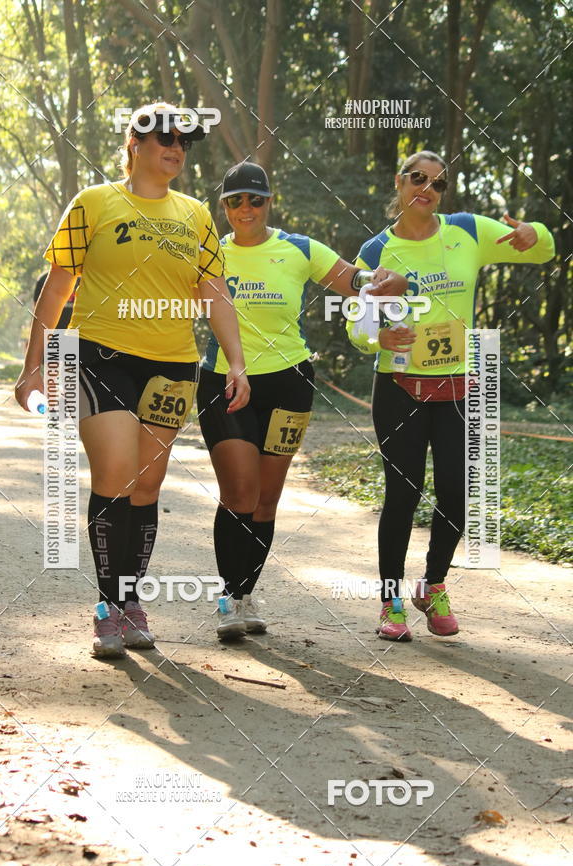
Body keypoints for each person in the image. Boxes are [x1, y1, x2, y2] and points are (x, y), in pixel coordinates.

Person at [15, 102, 249, 658]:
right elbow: (57, 288)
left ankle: (129, 602)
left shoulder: (195, 214)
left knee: (146, 486)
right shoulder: (93, 203)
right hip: (99, 355)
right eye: (164, 136)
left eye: (184, 142)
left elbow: (214, 295)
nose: (176, 147)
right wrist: (33, 366)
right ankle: (107, 607)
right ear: (135, 143)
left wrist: (235, 361)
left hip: (172, 366)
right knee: (116, 474)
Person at [348, 150, 555, 642]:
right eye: (418, 178)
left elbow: (544, 249)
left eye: (438, 183)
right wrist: (379, 338)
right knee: (403, 494)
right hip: (399, 389)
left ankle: (433, 584)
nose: (427, 188)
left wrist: (534, 233)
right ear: (399, 183)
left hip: (460, 388)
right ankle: (390, 600)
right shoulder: (375, 251)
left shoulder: (466, 229)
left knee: (458, 496)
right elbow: (357, 324)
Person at [197, 161, 408, 640]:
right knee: (240, 492)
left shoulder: (298, 248)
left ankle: (246, 594)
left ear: (269, 202)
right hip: (224, 380)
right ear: (223, 207)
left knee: (267, 499)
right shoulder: (210, 253)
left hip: (289, 381)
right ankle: (228, 599)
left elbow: (352, 279)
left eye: (255, 199)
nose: (245, 208)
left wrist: (381, 279)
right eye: (235, 201)